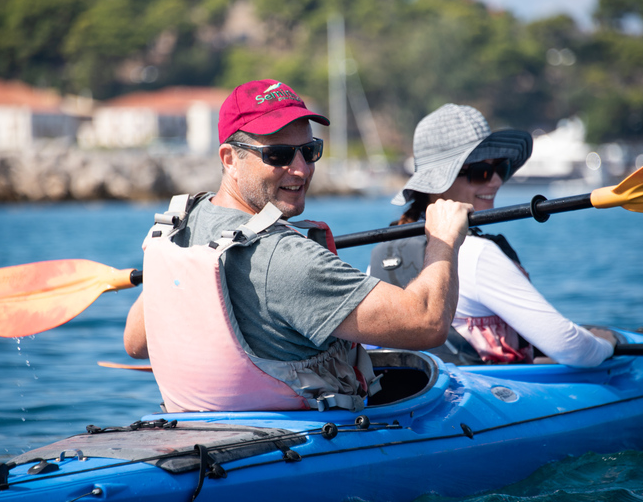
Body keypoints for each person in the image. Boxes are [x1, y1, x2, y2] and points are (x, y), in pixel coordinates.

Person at [123, 80, 472, 413]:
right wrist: (443, 240)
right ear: (229, 158)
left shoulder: (178, 228)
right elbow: (427, 323)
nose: (301, 170)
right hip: (302, 442)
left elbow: (136, 342)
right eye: (278, 155)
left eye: (310, 151)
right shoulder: (287, 259)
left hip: (200, 426)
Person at [369, 103, 616, 367]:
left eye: (502, 168)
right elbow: (573, 350)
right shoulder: (476, 254)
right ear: (438, 183)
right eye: (482, 173)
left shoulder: (382, 253)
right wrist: (606, 343)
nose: (496, 181)